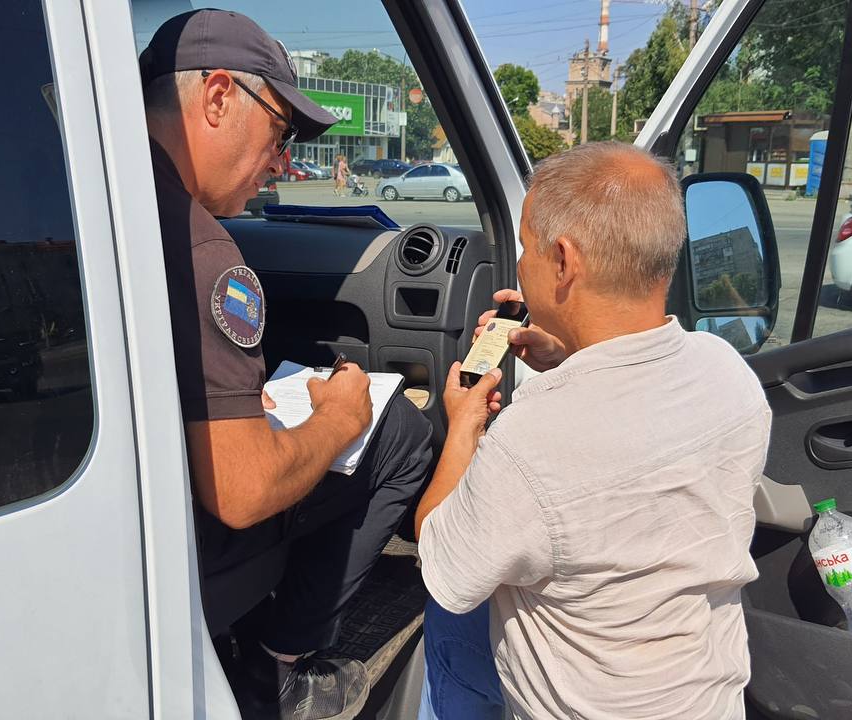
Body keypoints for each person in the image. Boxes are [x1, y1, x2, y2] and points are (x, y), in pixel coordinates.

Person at [138, 10, 433, 720]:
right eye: (280, 132)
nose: (282, 161)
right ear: (215, 98)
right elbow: (241, 491)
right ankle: (280, 669)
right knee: (397, 431)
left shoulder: (94, 197)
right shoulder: (202, 249)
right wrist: (337, 416)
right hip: (178, 532)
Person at [413, 142, 772, 720]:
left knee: (448, 615)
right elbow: (629, 427)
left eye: (527, 249)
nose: (521, 264)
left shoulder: (529, 443)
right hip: (705, 697)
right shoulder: (727, 370)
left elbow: (441, 560)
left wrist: (463, 425)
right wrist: (565, 356)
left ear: (563, 260)